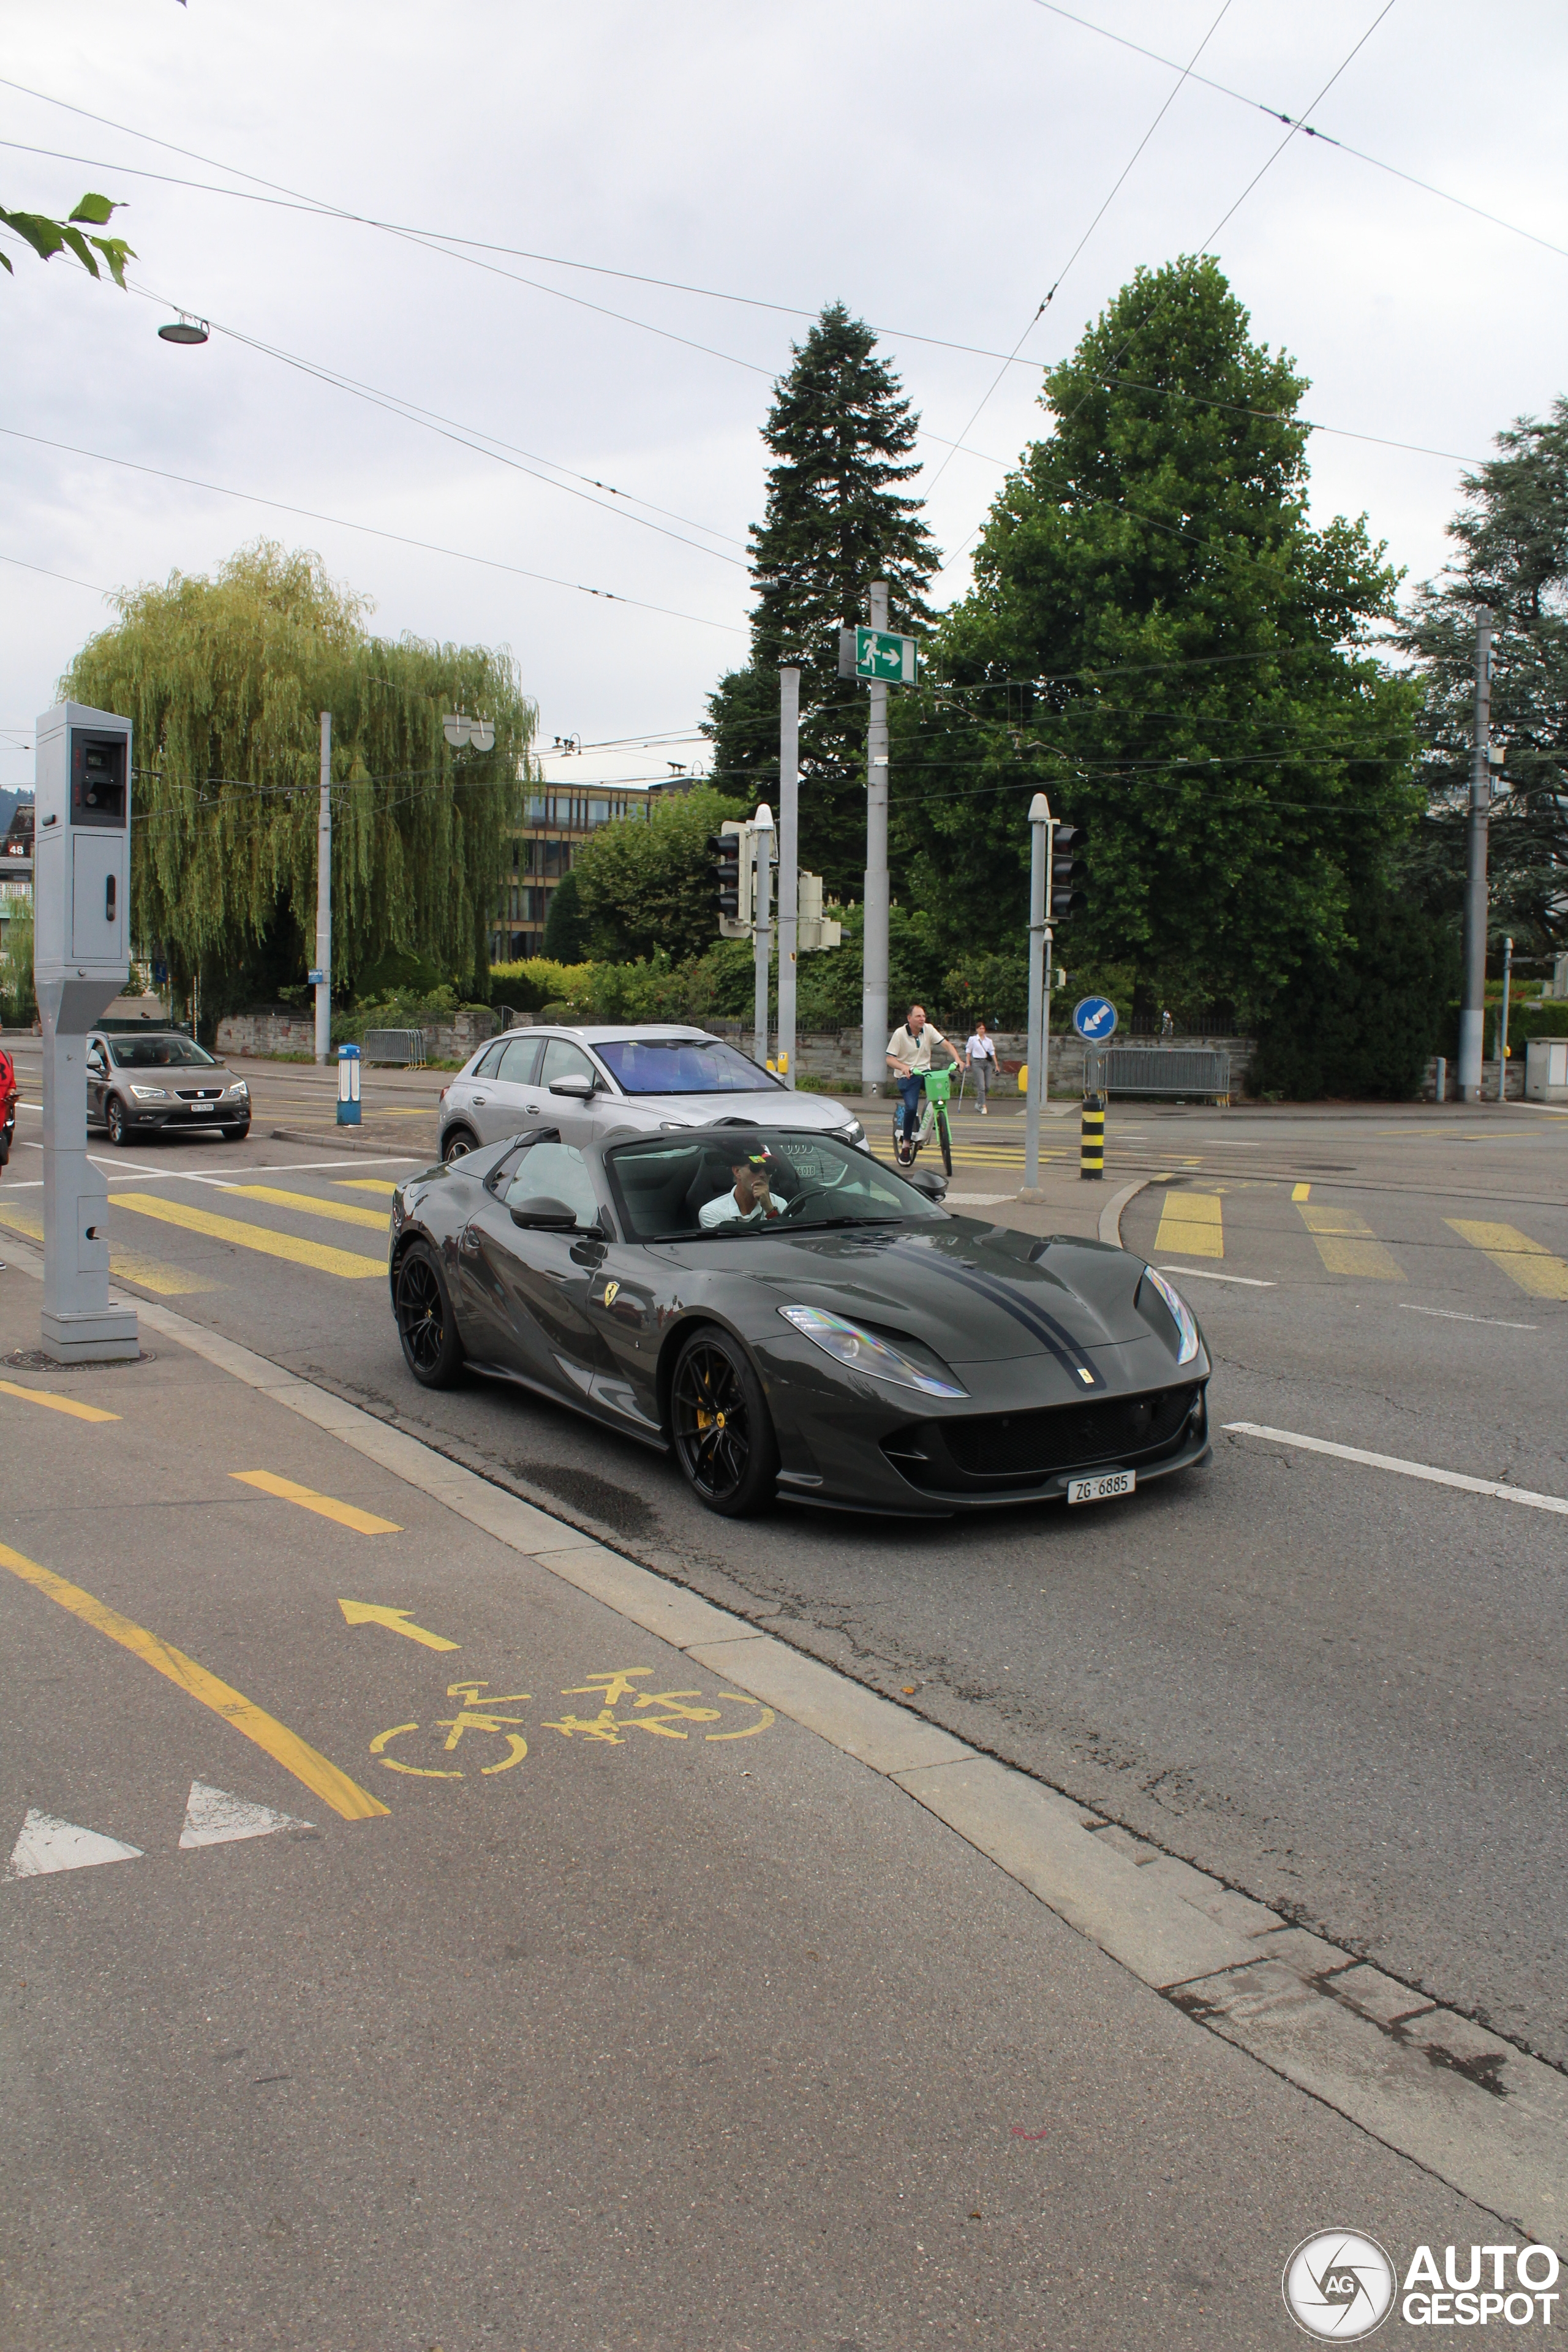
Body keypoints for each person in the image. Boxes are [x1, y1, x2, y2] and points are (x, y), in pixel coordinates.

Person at [886, 1004, 959, 1162]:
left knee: (941, 1092)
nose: (922, 1019)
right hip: (908, 1076)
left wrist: (958, 1059)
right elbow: (890, 1059)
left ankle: (935, 1121)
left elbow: (946, 1044)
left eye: (924, 1016)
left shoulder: (929, 1029)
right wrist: (903, 1067)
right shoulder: (900, 1034)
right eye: (918, 1016)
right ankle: (906, 1145)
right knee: (911, 1107)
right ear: (909, 1018)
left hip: (925, 1073)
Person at [698, 1147, 785, 1231]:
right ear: (737, 1171)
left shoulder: (779, 1203)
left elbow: (787, 1238)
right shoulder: (712, 1212)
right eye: (755, 1168)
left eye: (769, 1169)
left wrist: (770, 1210)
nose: (763, 1174)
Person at [965, 1018, 998, 1115]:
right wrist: (968, 1063)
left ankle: (978, 1102)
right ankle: (983, 1106)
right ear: (977, 1030)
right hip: (977, 1063)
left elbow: (992, 1053)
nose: (982, 1030)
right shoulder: (973, 1040)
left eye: (983, 1028)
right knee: (981, 1087)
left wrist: (996, 1065)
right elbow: (968, 1052)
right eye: (980, 1029)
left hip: (987, 1063)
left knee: (987, 1086)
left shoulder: (989, 1041)